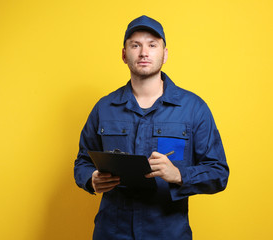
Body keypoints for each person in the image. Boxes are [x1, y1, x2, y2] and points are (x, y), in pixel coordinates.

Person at [74, 15, 229, 240]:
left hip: (168, 233)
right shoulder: (104, 107)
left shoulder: (194, 108)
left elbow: (218, 172)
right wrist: (91, 178)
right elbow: (82, 161)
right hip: (111, 232)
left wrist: (179, 175)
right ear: (124, 55)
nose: (144, 52)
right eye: (135, 45)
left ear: (165, 54)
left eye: (152, 45)